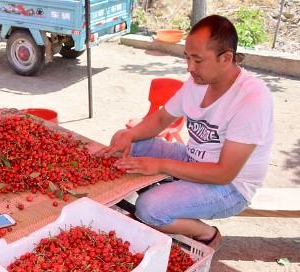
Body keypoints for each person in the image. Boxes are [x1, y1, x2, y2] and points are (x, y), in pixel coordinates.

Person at [100, 15, 274, 249]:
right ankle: (171, 197)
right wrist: (130, 135)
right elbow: (162, 118)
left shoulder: (252, 99)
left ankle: (206, 234)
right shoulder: (196, 83)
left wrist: (160, 165)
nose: (190, 68)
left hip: (231, 187)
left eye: (198, 60)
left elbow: (224, 174)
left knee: (149, 209)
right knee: (127, 143)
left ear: (226, 58)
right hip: (191, 158)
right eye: (187, 58)